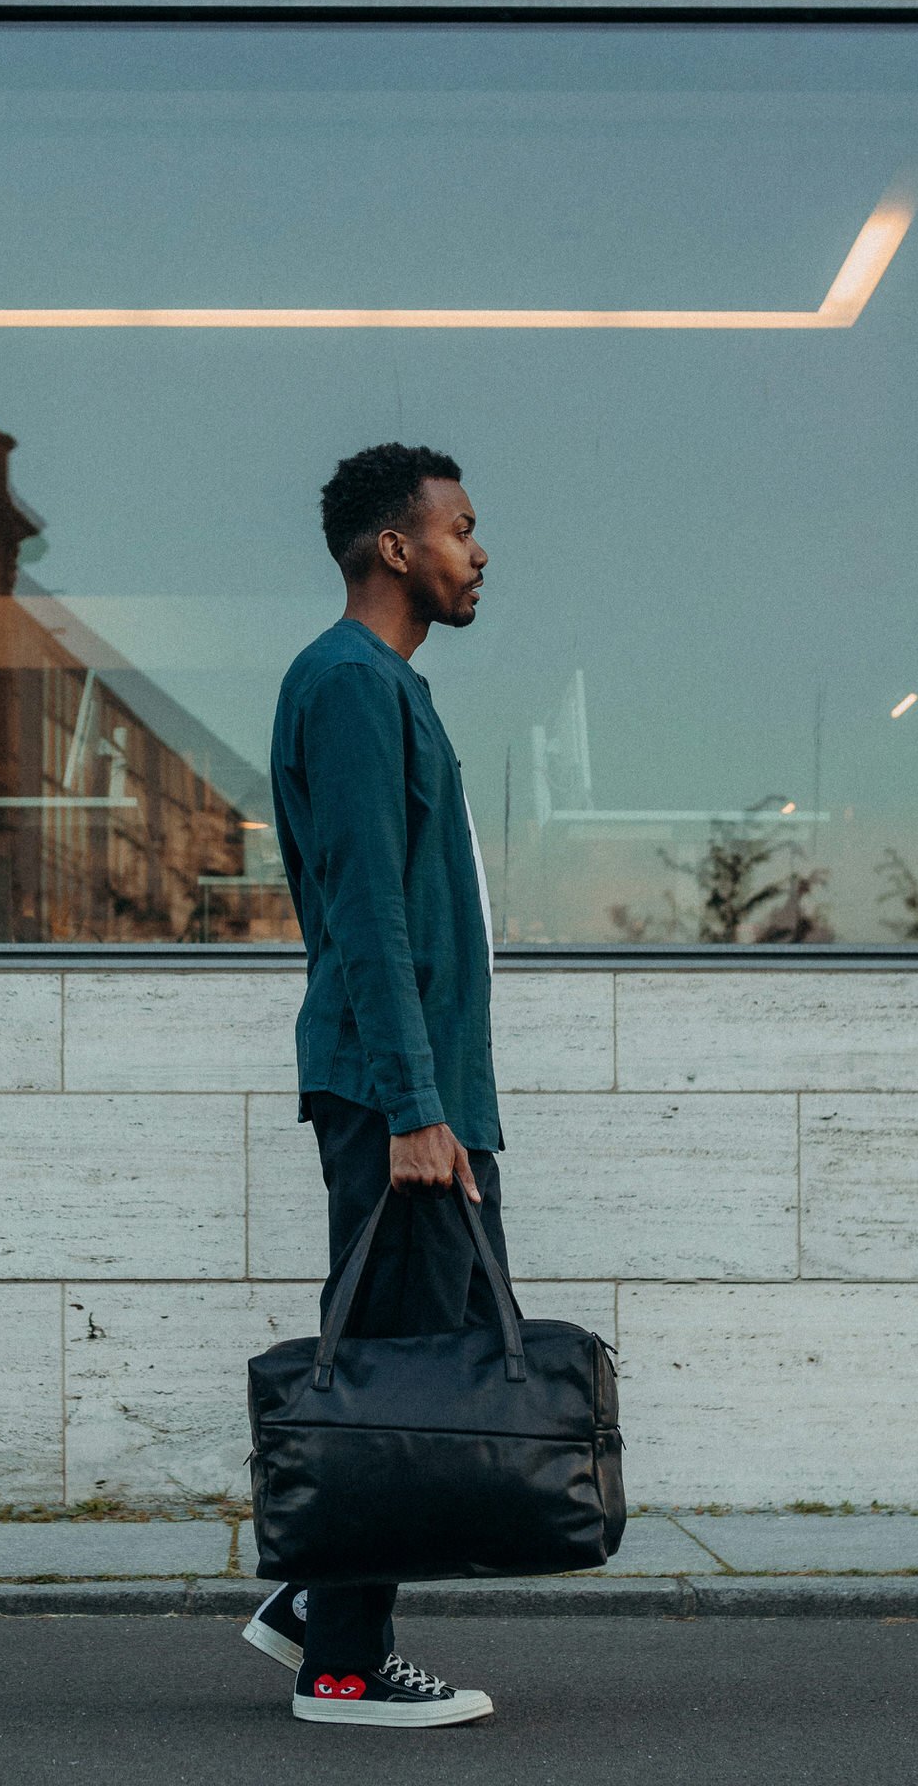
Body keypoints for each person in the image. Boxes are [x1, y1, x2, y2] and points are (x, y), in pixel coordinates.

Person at [242, 442, 506, 1730]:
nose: (480, 551)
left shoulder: (381, 685)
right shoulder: (346, 685)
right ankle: (342, 1665)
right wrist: (413, 1106)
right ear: (394, 548)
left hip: (429, 1093)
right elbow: (365, 912)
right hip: (397, 1095)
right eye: (461, 529)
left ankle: (315, 1601)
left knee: (425, 1360)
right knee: (398, 1379)